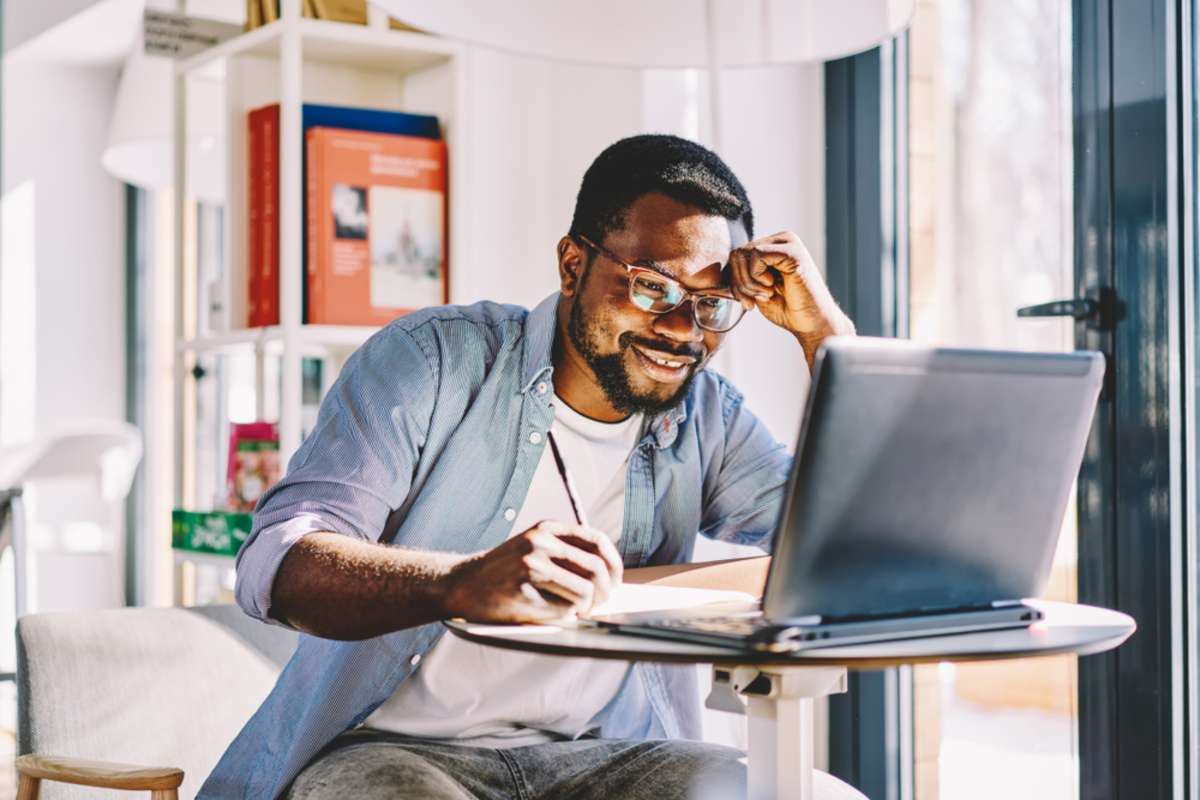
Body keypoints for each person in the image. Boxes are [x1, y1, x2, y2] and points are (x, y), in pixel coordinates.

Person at [199, 134, 856, 799]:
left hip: (603, 758)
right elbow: (275, 563)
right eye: (654, 287)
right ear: (573, 264)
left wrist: (823, 332)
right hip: (394, 753)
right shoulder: (434, 361)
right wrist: (460, 583)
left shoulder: (708, 415)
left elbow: (850, 545)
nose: (682, 329)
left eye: (710, 305)